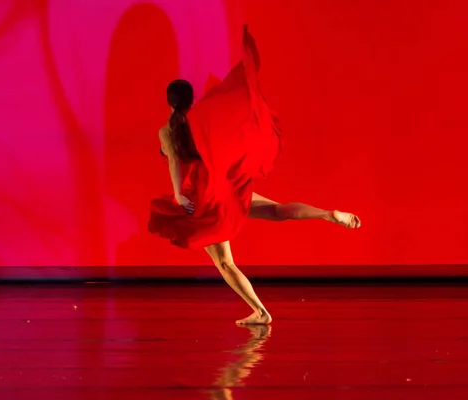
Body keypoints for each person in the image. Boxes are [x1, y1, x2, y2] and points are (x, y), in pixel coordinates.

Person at [149, 26, 361, 325]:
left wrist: (179, 194)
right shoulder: (202, 119)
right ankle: (326, 214)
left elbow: (173, 162)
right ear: (191, 98)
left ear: (169, 101)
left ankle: (261, 312)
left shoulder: (166, 131)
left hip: (203, 197)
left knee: (224, 262)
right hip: (225, 186)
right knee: (276, 211)